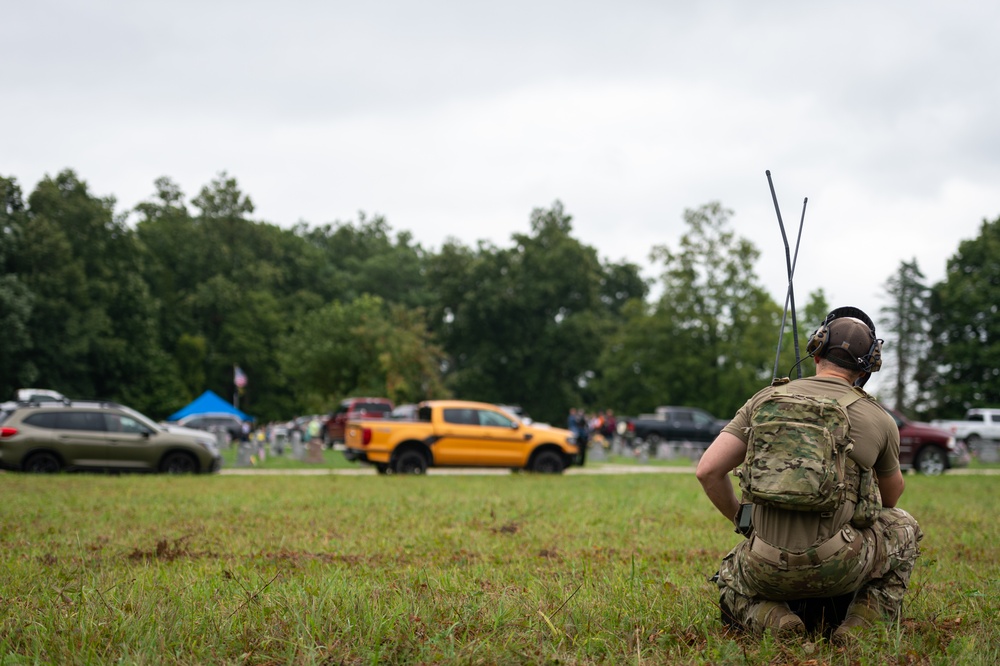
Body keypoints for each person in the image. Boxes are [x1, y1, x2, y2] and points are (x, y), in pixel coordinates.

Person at [695, 306, 923, 643]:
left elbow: (708, 471)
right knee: (905, 525)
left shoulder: (764, 400)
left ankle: (774, 620)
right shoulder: (880, 419)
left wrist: (746, 523)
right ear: (869, 366)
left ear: (816, 349)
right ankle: (861, 626)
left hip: (762, 563)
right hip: (840, 565)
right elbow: (890, 499)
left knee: (729, 577)